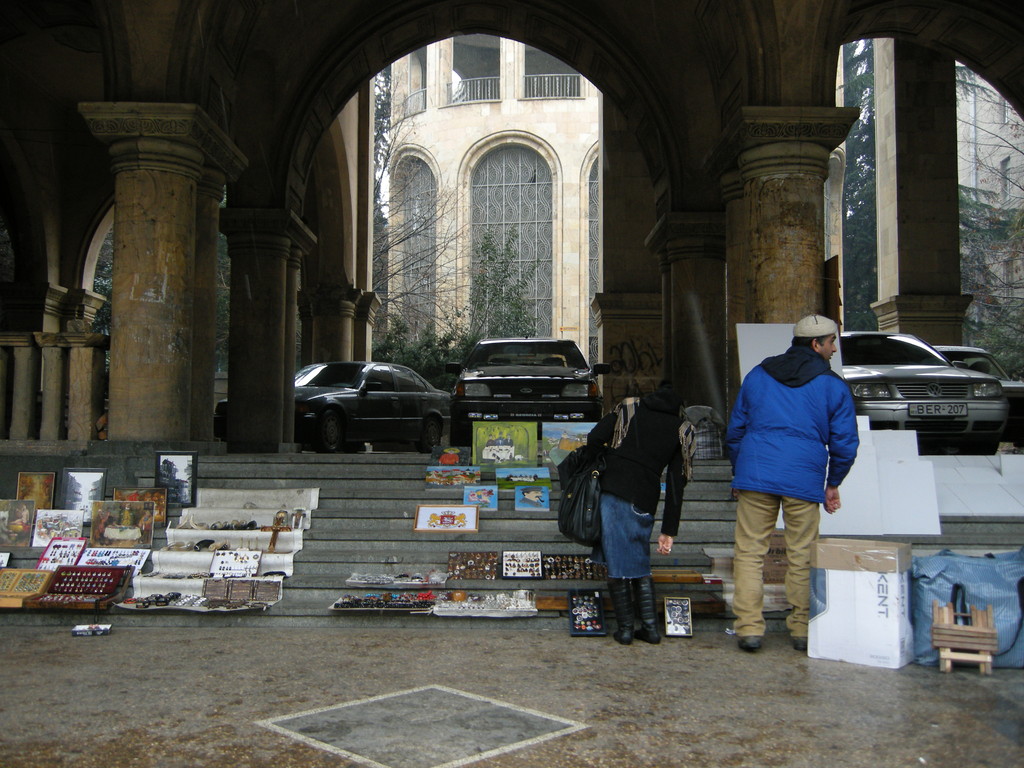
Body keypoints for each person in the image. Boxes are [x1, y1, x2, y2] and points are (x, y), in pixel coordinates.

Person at [726, 314, 859, 653]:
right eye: (831, 342)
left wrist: (741, 472)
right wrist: (833, 482)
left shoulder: (758, 375)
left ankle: (749, 629)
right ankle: (801, 628)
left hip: (757, 473)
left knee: (749, 552)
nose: (834, 349)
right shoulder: (832, 385)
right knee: (802, 553)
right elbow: (845, 442)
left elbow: (736, 429)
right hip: (803, 476)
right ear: (816, 344)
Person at [587, 382, 694, 645]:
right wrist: (668, 530)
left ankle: (626, 629)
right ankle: (649, 628)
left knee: (618, 561)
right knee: (638, 559)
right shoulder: (683, 428)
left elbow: (594, 438)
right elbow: (677, 481)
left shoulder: (629, 408)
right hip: (646, 498)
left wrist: (607, 461)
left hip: (614, 490)